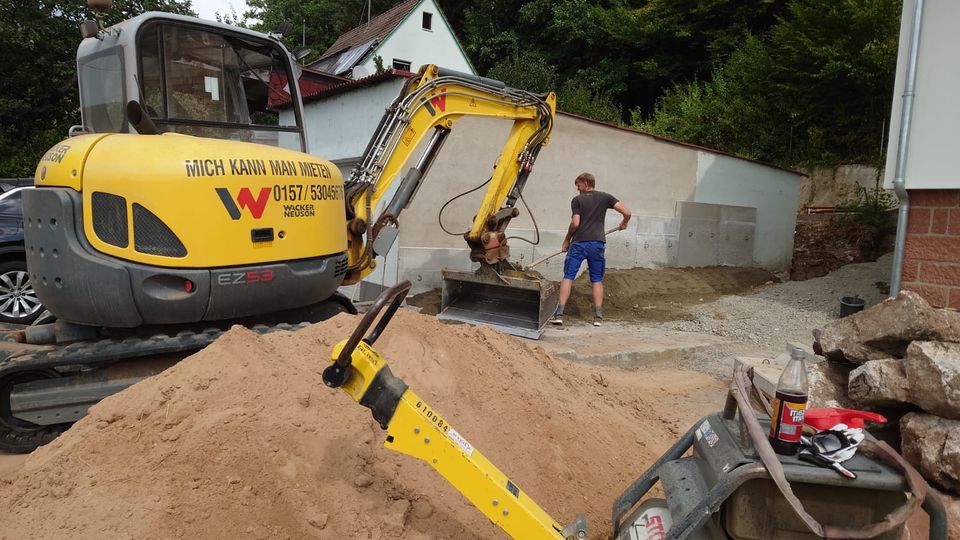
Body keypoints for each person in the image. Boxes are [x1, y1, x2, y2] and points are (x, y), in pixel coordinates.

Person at [549, 172, 631, 327]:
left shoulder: (577, 200)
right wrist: (624, 223)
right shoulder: (605, 197)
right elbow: (627, 212)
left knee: (568, 276)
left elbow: (575, 224)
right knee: (597, 279)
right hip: (597, 244)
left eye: (579, 186)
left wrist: (567, 239)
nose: (578, 189)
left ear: (586, 183)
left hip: (579, 244)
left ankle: (559, 314)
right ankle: (598, 317)